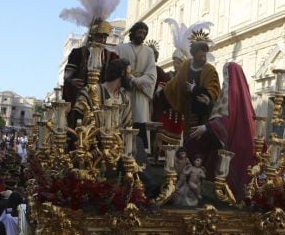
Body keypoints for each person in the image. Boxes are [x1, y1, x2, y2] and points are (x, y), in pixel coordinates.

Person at [186, 62, 256, 201]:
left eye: (225, 74)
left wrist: (205, 127)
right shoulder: (242, 93)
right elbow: (226, 113)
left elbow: (226, 120)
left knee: (192, 146)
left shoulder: (232, 91)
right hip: (242, 140)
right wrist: (209, 103)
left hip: (233, 142)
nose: (225, 78)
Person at [160, 40, 221, 139]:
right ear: (193, 55)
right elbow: (177, 82)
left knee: (201, 139)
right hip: (188, 108)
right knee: (188, 137)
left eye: (204, 56)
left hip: (203, 111)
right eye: (200, 56)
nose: (203, 58)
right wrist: (163, 92)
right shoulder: (187, 65)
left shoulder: (210, 70)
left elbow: (212, 91)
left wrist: (196, 90)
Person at [117, 21, 157, 149]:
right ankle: (120, 147)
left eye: (144, 33)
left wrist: (137, 81)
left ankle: (139, 151)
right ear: (133, 32)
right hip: (124, 90)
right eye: (140, 32)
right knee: (123, 119)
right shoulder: (121, 48)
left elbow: (151, 73)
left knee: (139, 119)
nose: (142, 35)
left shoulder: (149, 51)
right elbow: (116, 68)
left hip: (140, 92)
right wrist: (129, 80)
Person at [72, 58, 133, 132]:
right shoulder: (92, 91)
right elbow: (78, 116)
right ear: (123, 73)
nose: (131, 77)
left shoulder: (125, 100)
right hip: (93, 140)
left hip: (117, 142)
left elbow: (128, 128)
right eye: (129, 73)